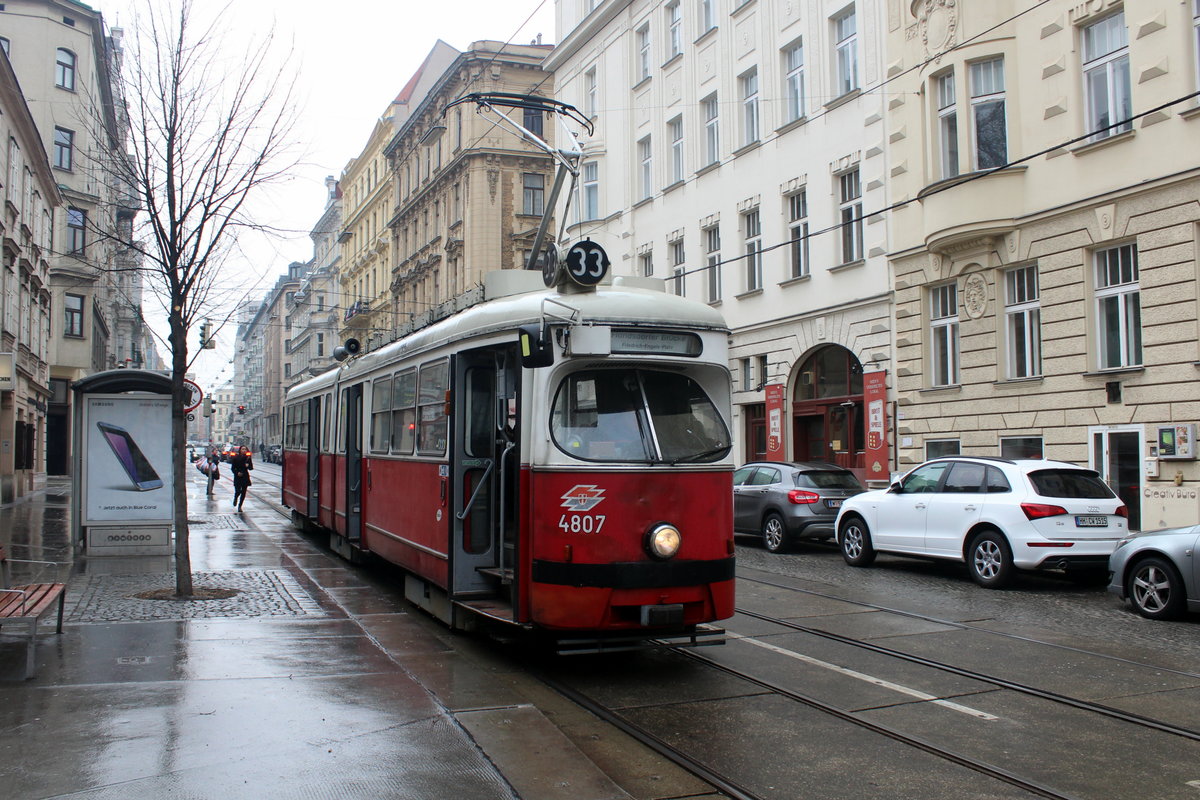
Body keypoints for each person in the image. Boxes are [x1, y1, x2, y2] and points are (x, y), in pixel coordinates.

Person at [230, 445, 253, 511]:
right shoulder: (236, 458)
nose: (244, 450)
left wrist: (248, 466)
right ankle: (235, 498)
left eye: (245, 449)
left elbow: (251, 468)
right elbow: (233, 468)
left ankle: (240, 506)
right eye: (242, 449)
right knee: (238, 491)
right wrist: (237, 473)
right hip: (237, 477)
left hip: (245, 476)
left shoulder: (248, 458)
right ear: (240, 450)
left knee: (243, 492)